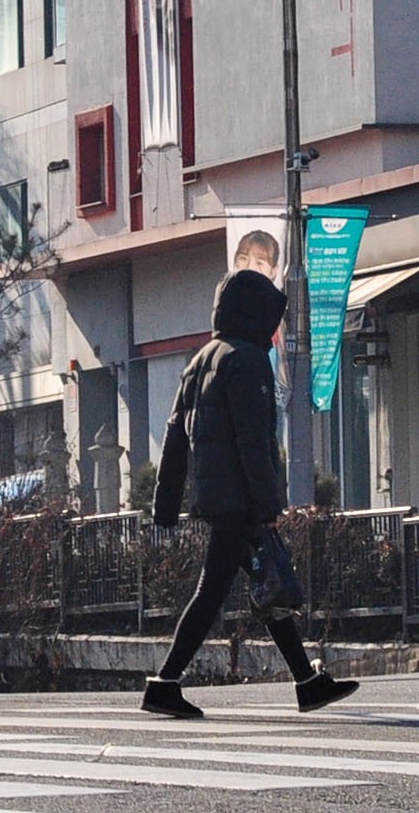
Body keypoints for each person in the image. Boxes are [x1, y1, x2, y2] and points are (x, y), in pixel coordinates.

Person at [142, 268, 360, 721]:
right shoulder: (247, 359)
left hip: (217, 497)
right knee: (214, 591)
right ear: (256, 314)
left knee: (269, 584)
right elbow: (253, 441)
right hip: (239, 500)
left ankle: (307, 682)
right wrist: (267, 502)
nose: (274, 326)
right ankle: (164, 684)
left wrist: (165, 502)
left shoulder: (202, 358)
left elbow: (174, 436)